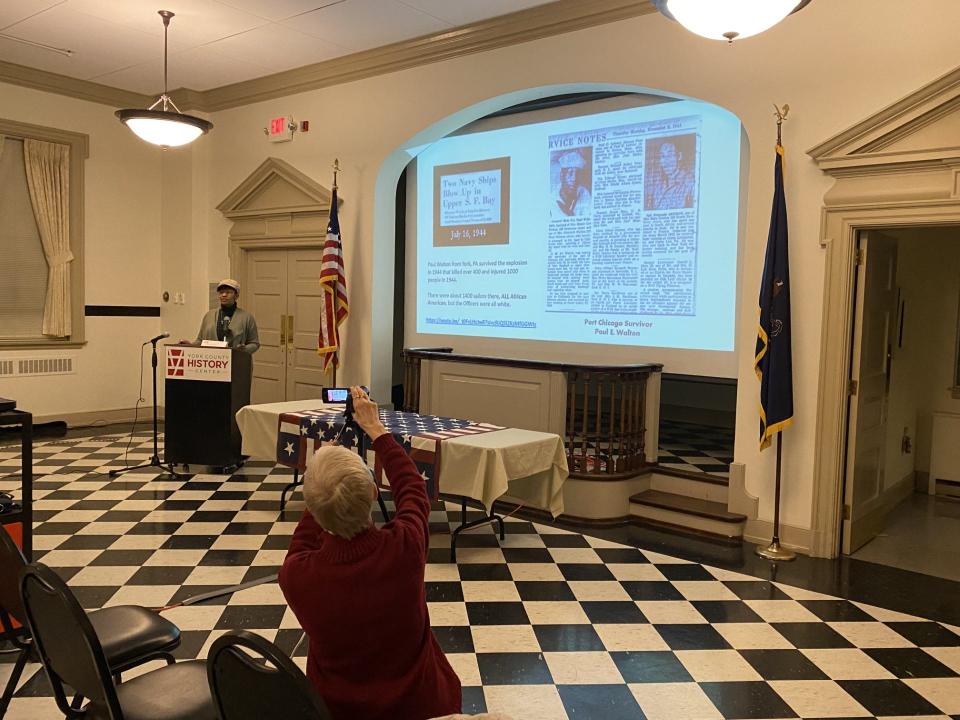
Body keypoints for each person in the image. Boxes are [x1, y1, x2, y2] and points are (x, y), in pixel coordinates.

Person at [278, 386, 461, 720]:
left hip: (337, 710)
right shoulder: (403, 549)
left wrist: (322, 474)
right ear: (375, 491)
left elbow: (303, 539)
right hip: (419, 707)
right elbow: (413, 489)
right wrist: (376, 429)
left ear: (313, 511)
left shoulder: (297, 576)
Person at [195, 278, 260, 352]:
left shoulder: (247, 317)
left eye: (228, 292)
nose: (224, 295)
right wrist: (188, 345)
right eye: (221, 292)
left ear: (236, 296)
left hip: (236, 360)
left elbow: (254, 343)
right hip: (212, 361)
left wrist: (244, 349)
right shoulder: (209, 315)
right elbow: (200, 340)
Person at [646, 140, 695, 210]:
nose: (666, 161)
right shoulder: (658, 186)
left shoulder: (690, 183)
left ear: (679, 156)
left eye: (670, 155)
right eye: (662, 156)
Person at [551, 149, 592, 218]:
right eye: (570, 173)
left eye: (577, 174)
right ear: (562, 175)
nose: (574, 179)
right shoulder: (552, 199)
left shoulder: (585, 194)